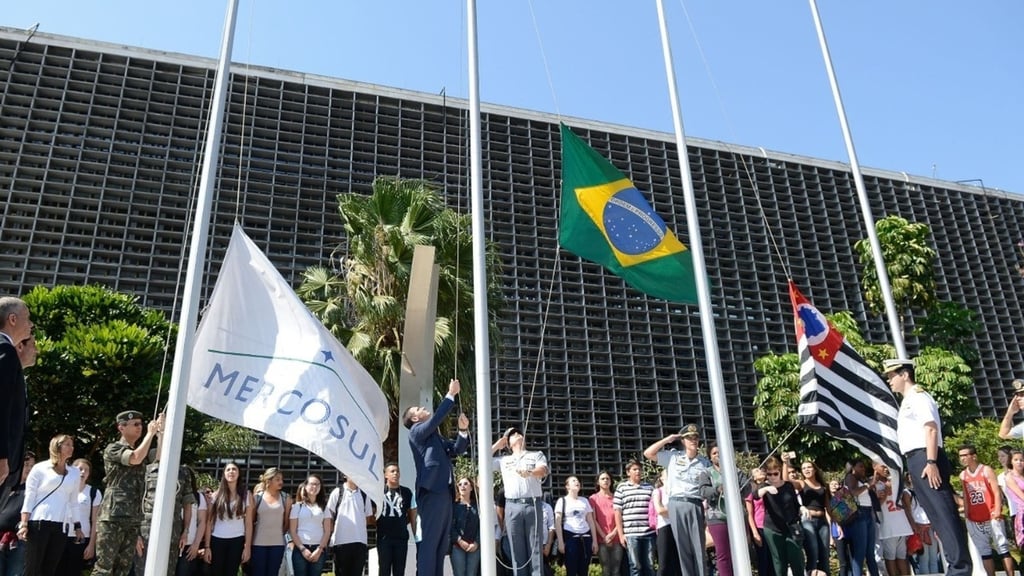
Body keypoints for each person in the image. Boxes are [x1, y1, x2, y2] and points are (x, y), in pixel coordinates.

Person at [884, 357, 971, 576]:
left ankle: (960, 569)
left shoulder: (919, 397)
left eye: (892, 376)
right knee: (936, 515)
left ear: (905, 374)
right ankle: (956, 566)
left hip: (926, 456)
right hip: (916, 458)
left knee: (943, 513)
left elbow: (930, 429)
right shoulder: (907, 401)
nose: (889, 381)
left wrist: (931, 462)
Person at [404, 378, 470, 576]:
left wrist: (463, 431)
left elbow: (457, 449)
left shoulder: (435, 437)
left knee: (441, 547)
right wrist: (450, 394)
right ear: (415, 419)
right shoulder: (416, 432)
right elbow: (435, 420)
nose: (422, 408)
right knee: (430, 543)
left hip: (445, 495)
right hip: (431, 493)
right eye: (418, 408)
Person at [93, 409, 163, 576]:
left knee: (123, 569)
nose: (140, 427)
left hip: (132, 518)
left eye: (141, 424)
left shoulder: (142, 449)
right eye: (135, 424)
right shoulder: (114, 448)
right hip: (113, 517)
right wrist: (150, 434)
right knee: (104, 568)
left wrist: (160, 434)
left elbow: (158, 457)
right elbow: (135, 458)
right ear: (121, 428)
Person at [643, 424, 715, 576]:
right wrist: (667, 440)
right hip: (676, 503)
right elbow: (648, 453)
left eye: (695, 438)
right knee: (682, 547)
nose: (693, 441)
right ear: (683, 440)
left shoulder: (704, 462)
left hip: (695, 502)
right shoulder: (673, 457)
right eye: (689, 438)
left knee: (698, 545)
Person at [19, 434, 83, 576]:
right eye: (67, 444)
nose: (71, 448)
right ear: (57, 446)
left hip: (61, 523)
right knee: (33, 567)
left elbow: (74, 501)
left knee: (50, 568)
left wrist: (78, 525)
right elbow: (29, 497)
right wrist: (24, 523)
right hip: (40, 521)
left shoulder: (74, 472)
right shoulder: (40, 468)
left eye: (72, 445)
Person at [491, 426, 549, 576]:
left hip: (532, 504)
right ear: (508, 443)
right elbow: (483, 460)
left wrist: (529, 472)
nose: (516, 435)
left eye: (518, 433)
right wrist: (498, 445)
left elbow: (543, 470)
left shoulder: (536, 455)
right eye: (512, 435)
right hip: (512, 506)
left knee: (535, 549)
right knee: (516, 551)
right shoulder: (504, 460)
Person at [957, 445, 1015, 576]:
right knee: (984, 552)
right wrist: (967, 514)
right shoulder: (963, 475)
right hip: (974, 517)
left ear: (973, 456)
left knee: (1002, 548)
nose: (963, 458)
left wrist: (998, 509)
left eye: (965, 455)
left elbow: (996, 491)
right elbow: (966, 496)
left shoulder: (986, 470)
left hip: (991, 514)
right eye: (961, 456)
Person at [138, 453, 195, 576]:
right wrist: (136, 534)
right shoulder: (146, 470)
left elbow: (187, 505)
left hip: (172, 531)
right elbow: (136, 502)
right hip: (146, 531)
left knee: (167, 571)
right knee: (142, 570)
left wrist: (185, 531)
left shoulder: (183, 472)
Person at [0, 297, 33, 506]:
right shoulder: (6, 350)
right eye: (27, 318)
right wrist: (2, 457)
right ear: (13, 319)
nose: (31, 324)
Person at [754, 455, 804, 576]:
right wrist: (766, 489)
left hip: (791, 526)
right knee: (779, 562)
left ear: (780, 471)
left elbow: (796, 504)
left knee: (797, 559)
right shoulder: (764, 486)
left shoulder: (788, 485)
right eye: (769, 474)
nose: (772, 477)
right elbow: (756, 495)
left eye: (775, 473)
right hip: (773, 528)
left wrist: (803, 508)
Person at [204, 462, 254, 576]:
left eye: (234, 469)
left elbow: (248, 523)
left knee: (231, 572)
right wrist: (207, 546)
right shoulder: (216, 495)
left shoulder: (246, 495)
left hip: (237, 540)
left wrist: (247, 547)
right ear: (224, 474)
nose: (231, 472)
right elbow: (209, 522)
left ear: (239, 473)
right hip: (217, 539)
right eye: (228, 470)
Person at [55, 458, 102, 576]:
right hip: (61, 535)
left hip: (81, 538)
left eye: (86, 470)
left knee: (74, 571)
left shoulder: (94, 492)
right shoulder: (63, 488)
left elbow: (95, 520)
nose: (82, 472)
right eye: (80, 469)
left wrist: (91, 545)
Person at [612, 459, 655, 576]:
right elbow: (617, 513)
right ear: (628, 472)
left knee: (650, 565)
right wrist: (621, 535)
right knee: (635, 566)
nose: (638, 472)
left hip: (648, 533)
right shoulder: (621, 488)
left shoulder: (649, 488)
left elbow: (654, 510)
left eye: (639, 469)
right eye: (634, 469)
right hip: (631, 534)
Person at [327, 475, 374, 576]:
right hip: (340, 541)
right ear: (345, 475)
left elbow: (368, 518)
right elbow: (329, 516)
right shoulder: (337, 492)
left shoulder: (364, 494)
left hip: (360, 541)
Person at [873, 462, 914, 576]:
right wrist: (886, 490)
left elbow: (905, 504)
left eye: (887, 466)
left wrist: (912, 523)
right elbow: (876, 506)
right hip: (888, 527)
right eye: (882, 467)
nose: (886, 469)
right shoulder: (875, 485)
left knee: (902, 556)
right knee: (890, 558)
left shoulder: (896, 482)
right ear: (875, 467)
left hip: (901, 525)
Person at [554, 476, 598, 576]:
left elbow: (591, 521)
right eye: (573, 481)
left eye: (578, 481)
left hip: (586, 537)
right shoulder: (562, 501)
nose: (577, 482)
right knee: (571, 570)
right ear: (567, 486)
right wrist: (561, 542)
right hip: (570, 537)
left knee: (584, 570)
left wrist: (594, 541)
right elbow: (557, 522)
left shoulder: (584, 501)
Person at [842, 459, 879, 576]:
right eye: (860, 466)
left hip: (868, 513)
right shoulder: (850, 477)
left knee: (870, 553)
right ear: (853, 468)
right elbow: (853, 492)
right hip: (859, 514)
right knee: (860, 553)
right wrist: (868, 485)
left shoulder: (862, 480)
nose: (863, 469)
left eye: (864, 467)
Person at [250, 467, 291, 576]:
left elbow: (286, 523)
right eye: (277, 479)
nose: (281, 482)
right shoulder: (257, 498)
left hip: (277, 544)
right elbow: (251, 520)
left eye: (281, 479)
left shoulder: (286, 498)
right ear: (268, 480)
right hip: (258, 543)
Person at [378, 463, 416, 576]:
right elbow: (372, 514)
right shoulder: (379, 491)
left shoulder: (406, 492)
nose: (396, 474)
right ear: (385, 475)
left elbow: (411, 515)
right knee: (384, 570)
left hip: (401, 538)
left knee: (399, 571)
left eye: (397, 471)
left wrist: (403, 523)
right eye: (392, 471)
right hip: (384, 538)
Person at [289, 474, 332, 576]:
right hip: (301, 549)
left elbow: (327, 531)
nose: (315, 487)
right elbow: (292, 530)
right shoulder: (297, 507)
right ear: (306, 486)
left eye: (318, 485)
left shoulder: (324, 507)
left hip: (318, 549)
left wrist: (320, 549)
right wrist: (302, 549)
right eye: (312, 484)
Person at [0, 451, 34, 576]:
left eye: (32, 466)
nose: (29, 469)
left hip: (19, 541)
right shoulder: (5, 485)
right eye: (26, 464)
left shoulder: (32, 490)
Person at [798, 460, 830, 576]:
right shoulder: (802, 483)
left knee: (825, 555)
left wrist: (834, 524)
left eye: (809, 467)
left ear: (815, 469)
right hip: (807, 520)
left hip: (822, 521)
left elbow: (828, 509)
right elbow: (787, 481)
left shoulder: (823, 486)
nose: (806, 470)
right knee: (813, 553)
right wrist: (786, 463)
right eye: (803, 468)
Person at [590, 470, 623, 576]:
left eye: (608, 478)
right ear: (598, 482)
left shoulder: (617, 497)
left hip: (617, 538)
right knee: (606, 569)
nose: (605, 481)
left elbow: (621, 518)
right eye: (603, 479)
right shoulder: (593, 499)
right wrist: (604, 536)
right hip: (601, 539)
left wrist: (613, 534)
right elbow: (593, 519)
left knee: (616, 570)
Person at [745, 467, 775, 576]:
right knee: (763, 558)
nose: (761, 471)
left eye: (761, 470)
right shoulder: (750, 491)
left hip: (772, 526)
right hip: (759, 526)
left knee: (774, 558)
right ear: (753, 477)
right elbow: (750, 514)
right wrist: (755, 532)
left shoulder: (770, 487)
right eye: (756, 471)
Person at [178, 470, 208, 576]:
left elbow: (202, 522)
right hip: (171, 543)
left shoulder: (199, 497)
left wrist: (196, 544)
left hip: (189, 546)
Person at [451, 476, 481, 576]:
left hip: (474, 547)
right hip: (458, 547)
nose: (462, 486)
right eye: (460, 484)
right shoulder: (454, 506)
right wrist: (459, 540)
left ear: (471, 487)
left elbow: (481, 527)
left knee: (472, 573)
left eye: (465, 484)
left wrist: (477, 542)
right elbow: (450, 527)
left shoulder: (478, 506)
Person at [651, 470, 679, 576]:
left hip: (677, 527)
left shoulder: (677, 491)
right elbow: (660, 510)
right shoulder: (658, 491)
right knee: (663, 563)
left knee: (677, 563)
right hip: (664, 527)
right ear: (661, 478)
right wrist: (675, 512)